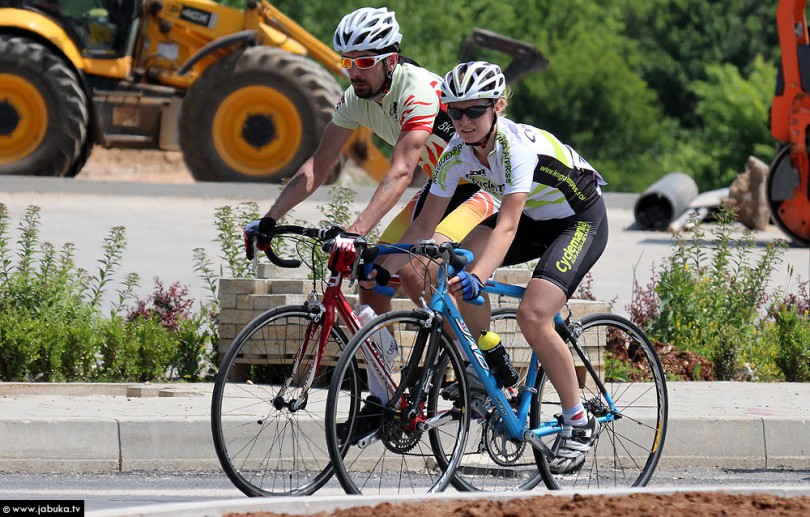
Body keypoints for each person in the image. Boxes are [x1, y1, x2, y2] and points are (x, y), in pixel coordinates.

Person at [374, 61, 609, 474]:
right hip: (534, 219)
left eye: (475, 110)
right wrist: (382, 264)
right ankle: (486, 358)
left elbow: (507, 227)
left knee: (533, 314)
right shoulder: (456, 152)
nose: (464, 121)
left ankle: (578, 419)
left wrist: (478, 275)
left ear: (497, 107)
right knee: (441, 266)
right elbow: (425, 225)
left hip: (577, 220)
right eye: (454, 112)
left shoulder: (515, 148)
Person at [244, 7, 496, 317]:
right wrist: (270, 219)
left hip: (483, 187)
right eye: (347, 62)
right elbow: (318, 165)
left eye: (364, 62)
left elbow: (401, 172)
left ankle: (466, 347)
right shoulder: (354, 99)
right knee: (373, 275)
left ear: (391, 60)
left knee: (416, 270)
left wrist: (355, 232)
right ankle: (384, 352)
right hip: (442, 188)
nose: (354, 72)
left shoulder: (416, 91)